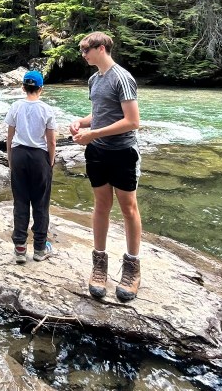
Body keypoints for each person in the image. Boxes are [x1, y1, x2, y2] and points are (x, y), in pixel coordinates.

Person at [68, 31, 142, 301]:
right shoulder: (94, 79)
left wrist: (93, 134)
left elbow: (132, 121)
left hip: (122, 152)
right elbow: (100, 113)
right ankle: (99, 265)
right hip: (97, 152)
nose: (83, 55)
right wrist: (81, 122)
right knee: (101, 205)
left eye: (85, 50)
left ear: (101, 48)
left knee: (128, 208)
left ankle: (132, 267)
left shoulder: (122, 77)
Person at [4, 70, 57, 263]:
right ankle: (40, 249)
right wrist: (50, 161)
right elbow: (51, 141)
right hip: (39, 157)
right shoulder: (46, 109)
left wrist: (10, 158)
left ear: (23, 87)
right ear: (41, 88)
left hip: (19, 155)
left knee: (21, 201)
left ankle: (20, 247)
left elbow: (10, 136)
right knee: (41, 203)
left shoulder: (16, 106)